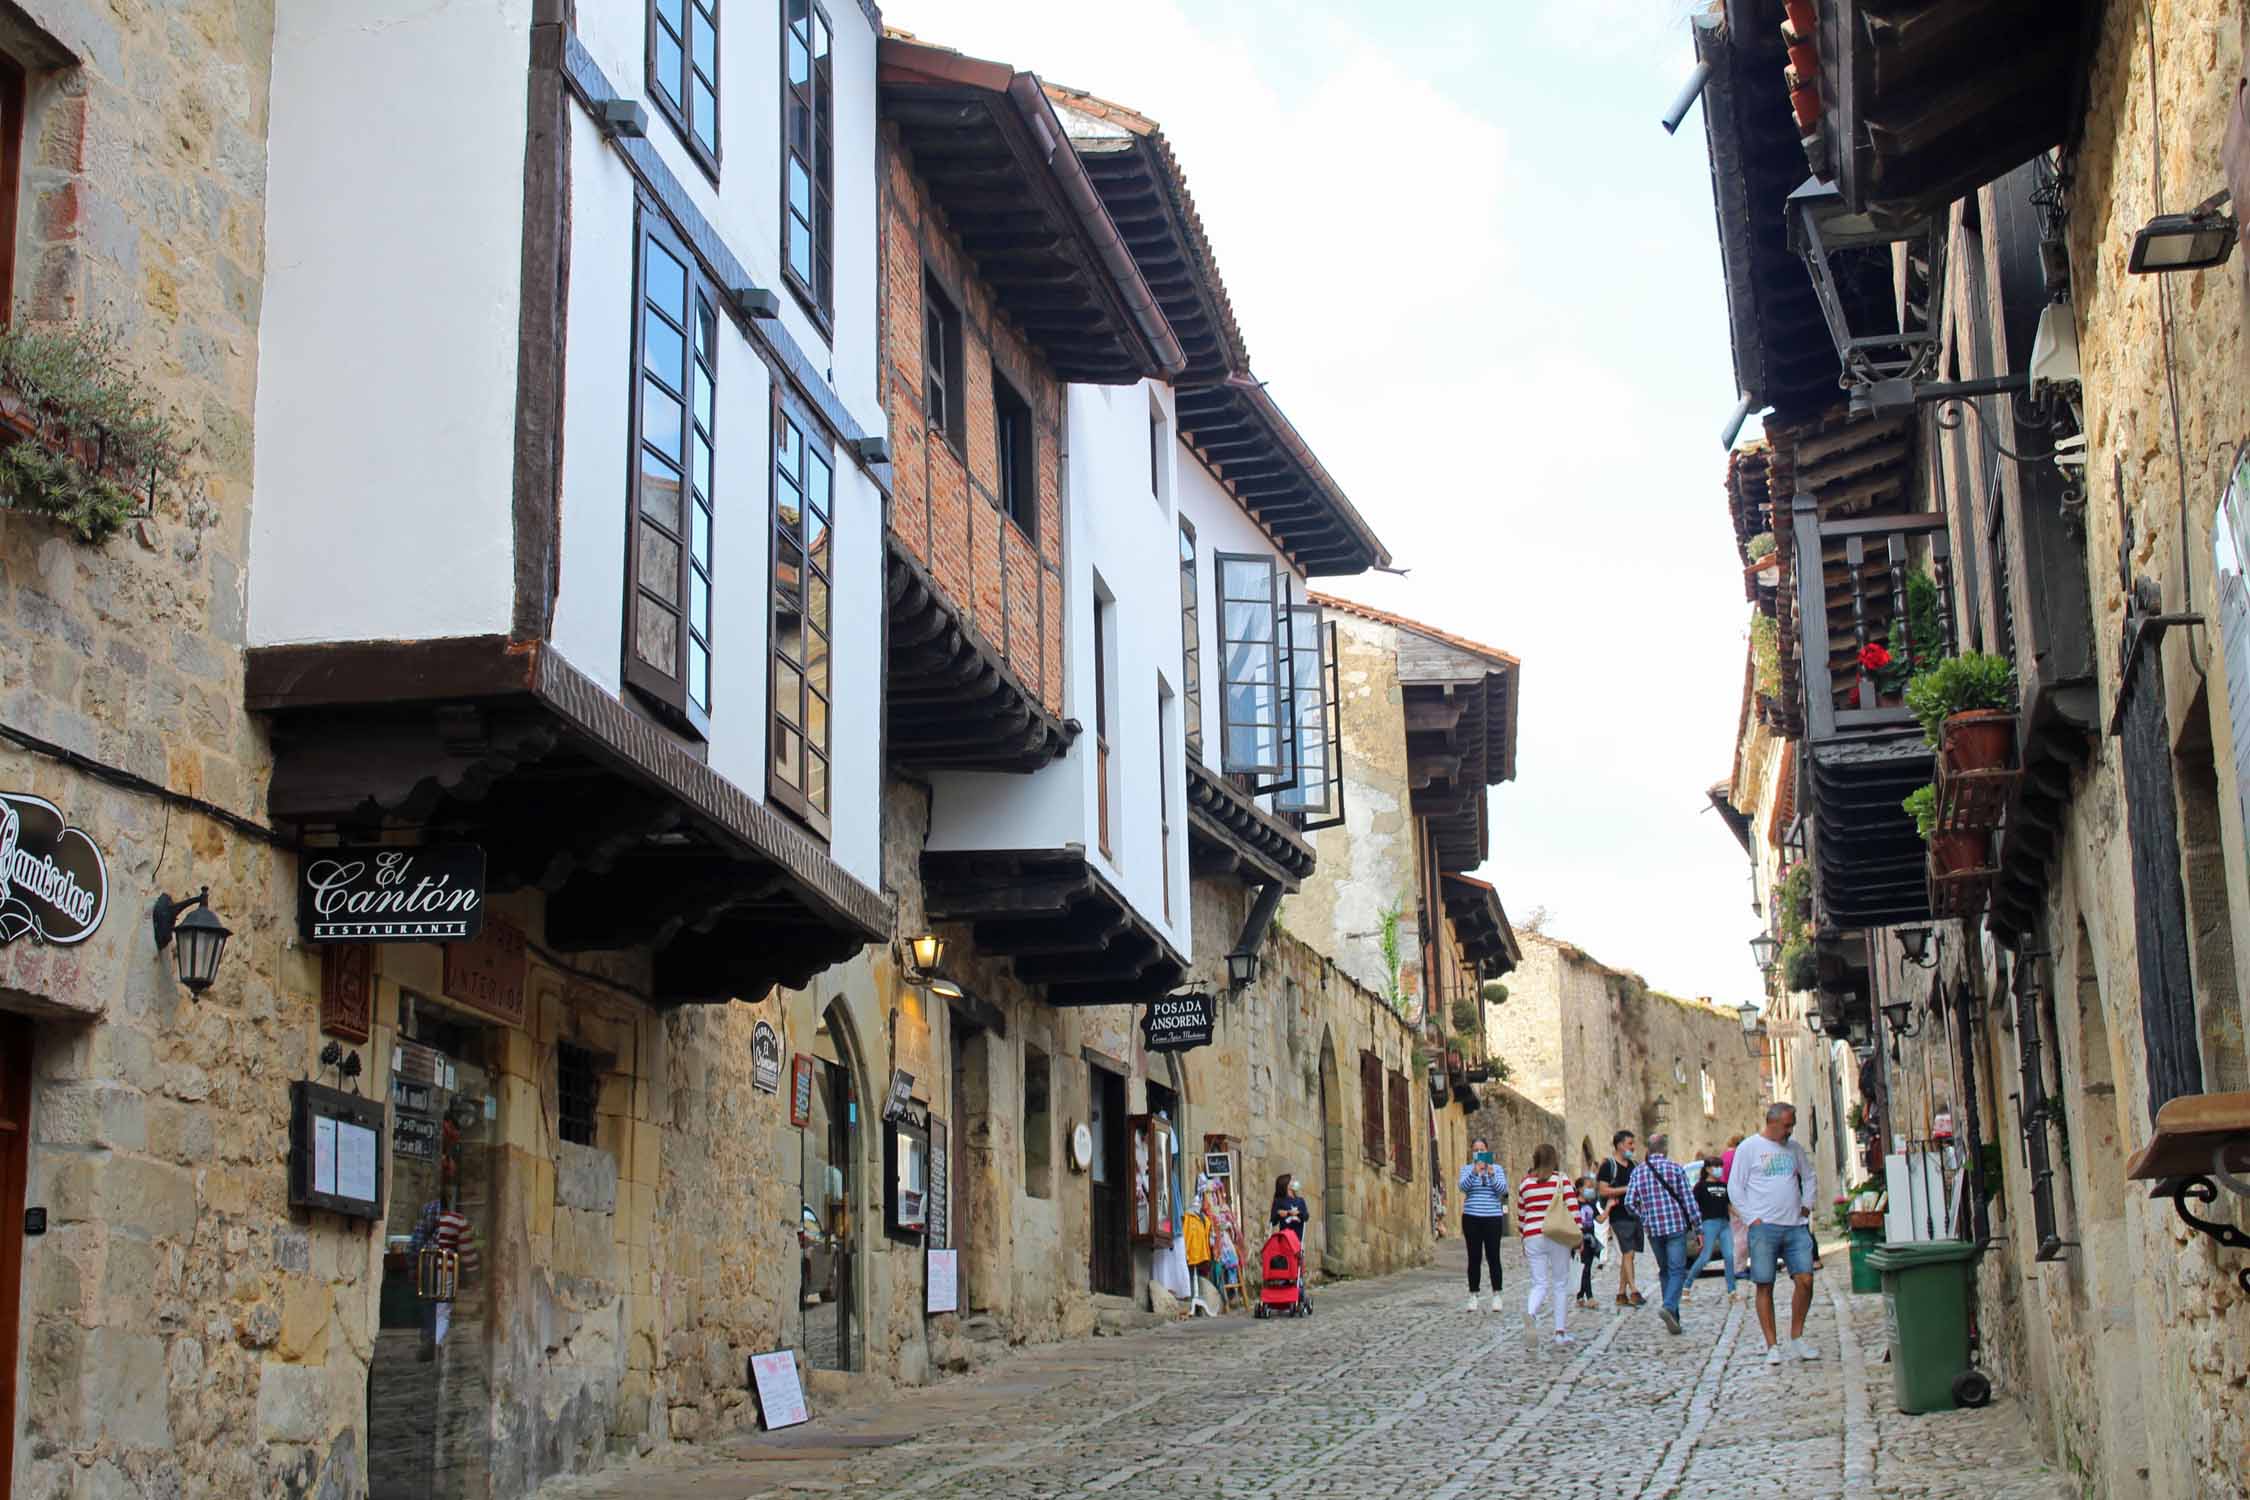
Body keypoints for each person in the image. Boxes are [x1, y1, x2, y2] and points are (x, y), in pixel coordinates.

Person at [1733, 1102, 1822, 1364]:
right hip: (1764, 1227)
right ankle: (1772, 1345)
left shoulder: (1794, 1149)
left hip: (1795, 1225)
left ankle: (1797, 1337)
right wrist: (1752, 1219)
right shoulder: (1749, 1148)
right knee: (1764, 1284)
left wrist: (1807, 1205)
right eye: (1787, 1125)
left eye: (1792, 1125)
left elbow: (1808, 1176)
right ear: (1772, 1122)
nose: (1790, 1130)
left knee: (1805, 1279)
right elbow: (1735, 1187)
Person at [1623, 1131, 1697, 1335]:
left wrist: (1645, 1217)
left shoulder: (1638, 1172)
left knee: (1665, 1271)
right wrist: (1697, 1226)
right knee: (1677, 1271)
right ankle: (1669, 1307)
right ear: (1665, 1149)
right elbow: (1689, 1201)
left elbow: (1629, 1202)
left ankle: (1673, 1318)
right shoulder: (1675, 1169)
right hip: (1675, 1227)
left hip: (1654, 1230)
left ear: (1648, 1149)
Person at [1515, 1145, 1583, 1348]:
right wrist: (1578, 1237)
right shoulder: (1561, 1180)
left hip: (1532, 1235)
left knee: (1539, 1283)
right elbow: (1573, 1209)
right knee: (1560, 1283)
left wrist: (1523, 1237)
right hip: (1557, 1235)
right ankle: (1560, 1333)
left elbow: (1521, 1215)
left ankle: (1531, 1314)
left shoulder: (1525, 1184)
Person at [1457, 1137, 1508, 1310]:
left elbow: (1502, 1190)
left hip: (1492, 1217)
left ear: (1487, 1151)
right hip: (1472, 1217)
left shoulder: (1498, 1169)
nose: (1479, 1152)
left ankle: (1497, 1295)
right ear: (1472, 1152)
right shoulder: (1466, 1169)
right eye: (1476, 1149)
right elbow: (1463, 1187)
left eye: (1482, 1149)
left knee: (1494, 1256)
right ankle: (1473, 1295)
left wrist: (1491, 1173)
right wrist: (1474, 1172)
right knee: (1474, 1257)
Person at [1595, 1130, 1643, 1306]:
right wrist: (1627, 1189)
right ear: (1620, 1144)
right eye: (1630, 1144)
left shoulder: (1635, 1165)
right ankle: (1635, 1291)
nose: (1633, 1147)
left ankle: (1621, 1294)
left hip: (1634, 1214)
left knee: (1629, 1255)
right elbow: (1603, 1190)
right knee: (1627, 1252)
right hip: (1618, 1215)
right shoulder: (1608, 1166)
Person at [1681, 1153, 1738, 1300]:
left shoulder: (1724, 1186)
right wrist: (1695, 1226)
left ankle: (1732, 1290)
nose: (1719, 1169)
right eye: (1716, 1166)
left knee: (1729, 1256)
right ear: (1707, 1169)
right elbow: (1693, 1207)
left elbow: (1729, 1205)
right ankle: (1687, 1285)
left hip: (1724, 1223)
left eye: (1720, 1166)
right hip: (1709, 1223)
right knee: (1705, 1257)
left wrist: (1742, 1217)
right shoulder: (1700, 1187)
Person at [1573, 1176, 1601, 1308]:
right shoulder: (1573, 1205)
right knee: (1584, 1269)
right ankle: (1589, 1297)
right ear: (1579, 1188)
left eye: (1591, 1187)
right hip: (1580, 1239)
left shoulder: (1591, 1204)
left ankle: (1580, 1296)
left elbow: (1600, 1219)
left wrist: (1610, 1207)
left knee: (1587, 1268)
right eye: (1588, 1187)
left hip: (1591, 1240)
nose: (1590, 1190)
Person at [1269, 1172, 1310, 1248]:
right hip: (1284, 1239)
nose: (1295, 1182)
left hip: (1298, 1239)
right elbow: (1272, 1222)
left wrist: (1297, 1213)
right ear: (1287, 1185)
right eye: (1292, 1180)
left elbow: (1306, 1217)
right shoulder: (1278, 1201)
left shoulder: (1300, 1201)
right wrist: (1279, 1214)